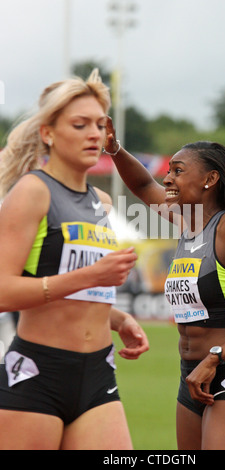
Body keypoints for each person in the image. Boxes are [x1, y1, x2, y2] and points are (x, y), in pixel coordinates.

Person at [104, 121, 225, 450]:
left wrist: (215, 358)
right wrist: (115, 150)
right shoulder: (186, 222)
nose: (167, 179)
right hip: (191, 377)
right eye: (167, 171)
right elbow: (141, 184)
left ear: (210, 179)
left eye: (177, 171)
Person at [0, 70, 149, 450]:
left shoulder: (102, 202)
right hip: (37, 375)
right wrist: (91, 276)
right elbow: (3, 292)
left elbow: (76, 286)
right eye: (80, 125)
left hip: (99, 373)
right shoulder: (32, 191)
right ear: (48, 133)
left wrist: (118, 318)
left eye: (100, 125)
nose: (95, 134)